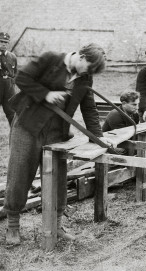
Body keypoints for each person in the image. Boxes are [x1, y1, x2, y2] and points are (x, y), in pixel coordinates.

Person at [4, 43, 115, 245]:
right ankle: (13, 226)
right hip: (27, 126)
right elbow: (21, 78)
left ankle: (57, 225)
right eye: (88, 68)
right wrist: (45, 94)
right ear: (81, 56)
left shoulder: (85, 78)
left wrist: (98, 136)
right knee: (19, 173)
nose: (87, 74)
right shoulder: (50, 59)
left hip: (56, 132)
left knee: (57, 178)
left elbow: (89, 109)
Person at [0, 32, 17, 125]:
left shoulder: (12, 56)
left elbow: (15, 72)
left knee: (12, 113)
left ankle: (14, 137)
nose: (3, 44)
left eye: (6, 42)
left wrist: (12, 83)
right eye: (1, 41)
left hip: (9, 88)